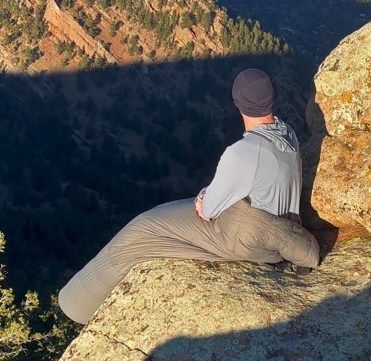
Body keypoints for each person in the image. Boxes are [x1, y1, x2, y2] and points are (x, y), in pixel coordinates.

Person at [59, 68, 320, 325]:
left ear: (237, 103)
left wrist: (203, 197)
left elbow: (208, 211)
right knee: (153, 224)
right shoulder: (287, 132)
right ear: (272, 98)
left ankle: (77, 305)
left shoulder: (243, 152)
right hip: (275, 226)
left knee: (143, 230)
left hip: (247, 238)